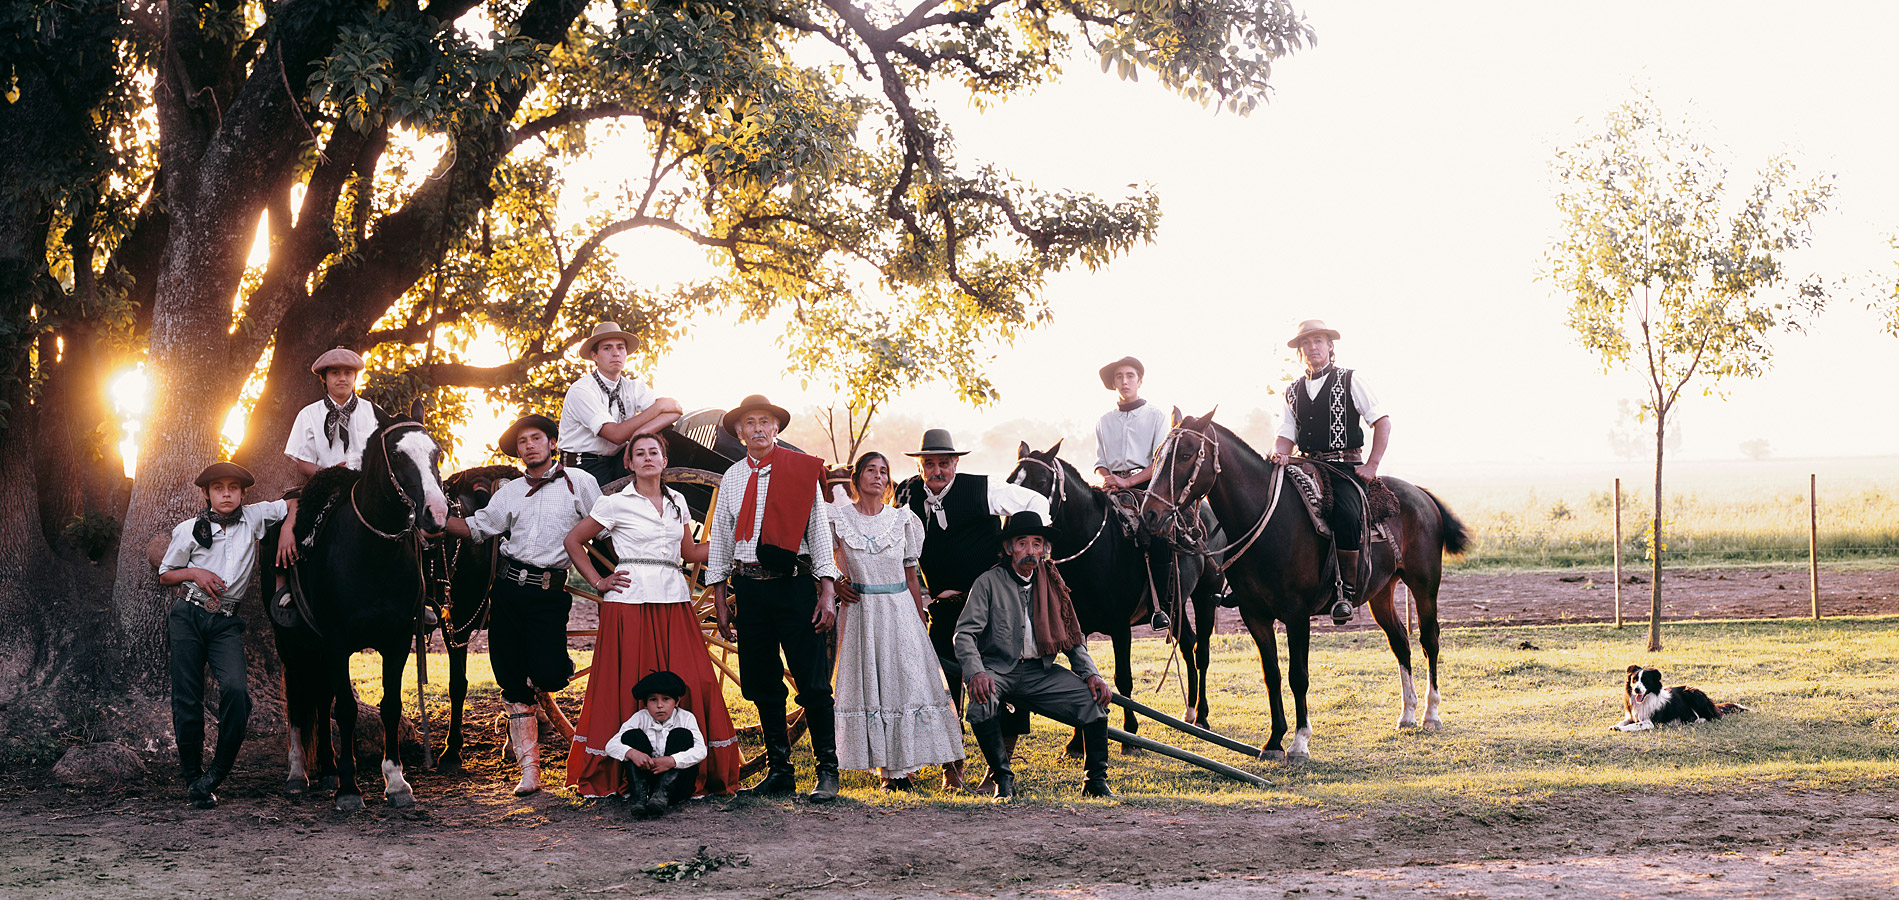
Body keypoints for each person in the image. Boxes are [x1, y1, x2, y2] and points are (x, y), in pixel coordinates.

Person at [563, 432, 742, 799]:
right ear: (629, 463)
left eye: (654, 452)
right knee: (627, 681)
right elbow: (573, 541)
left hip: (674, 599)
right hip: (628, 602)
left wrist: (734, 540)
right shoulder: (615, 503)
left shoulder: (677, 500)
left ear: (664, 460)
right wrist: (599, 580)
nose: (647, 458)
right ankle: (628, 772)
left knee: (697, 681)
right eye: (639, 453)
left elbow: (690, 553)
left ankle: (682, 768)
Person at [440, 413, 602, 795]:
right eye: (522, 442)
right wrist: (436, 520)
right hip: (508, 591)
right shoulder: (510, 492)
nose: (529, 445)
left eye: (535, 438)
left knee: (549, 674)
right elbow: (477, 528)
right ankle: (529, 771)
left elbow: (606, 526)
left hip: (548, 592)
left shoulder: (581, 484)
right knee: (512, 682)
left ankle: (547, 666)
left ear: (551, 443)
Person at [704, 395, 844, 802]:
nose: (759, 429)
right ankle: (781, 771)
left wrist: (828, 591)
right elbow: (722, 540)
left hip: (793, 587)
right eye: (750, 423)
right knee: (763, 684)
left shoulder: (799, 472)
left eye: (765, 421)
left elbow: (818, 533)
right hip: (750, 588)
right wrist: (719, 594)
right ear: (739, 432)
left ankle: (827, 771)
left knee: (812, 681)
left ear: (776, 429)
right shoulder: (731, 477)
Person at [891, 428, 1048, 788]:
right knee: (942, 690)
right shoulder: (909, 497)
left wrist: (1019, 549)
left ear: (956, 464)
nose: (937, 470)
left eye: (944, 463)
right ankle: (953, 771)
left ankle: (997, 771)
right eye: (929, 463)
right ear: (920, 466)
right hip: (944, 611)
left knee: (1004, 684)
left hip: (993, 610)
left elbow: (1036, 504)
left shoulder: (983, 489)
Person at [827, 451, 965, 791]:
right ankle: (889, 773)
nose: (878, 476)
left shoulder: (903, 520)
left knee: (907, 683)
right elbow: (819, 559)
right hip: (862, 613)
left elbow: (912, 576)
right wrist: (836, 581)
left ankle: (913, 766)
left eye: (883, 471)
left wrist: (920, 622)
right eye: (871, 470)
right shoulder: (838, 519)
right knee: (873, 685)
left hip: (901, 610)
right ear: (857, 477)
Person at [954, 512, 1115, 801]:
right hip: (998, 670)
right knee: (981, 703)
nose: (1030, 551)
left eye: (1037, 544)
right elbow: (965, 634)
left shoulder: (1051, 582)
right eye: (1022, 543)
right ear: (1008, 548)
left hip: (1040, 672)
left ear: (1044, 549)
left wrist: (1092, 674)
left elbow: (1072, 637)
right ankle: (1003, 780)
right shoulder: (988, 582)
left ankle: (1096, 782)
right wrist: (976, 672)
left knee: (1093, 700)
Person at [157, 462, 287, 809]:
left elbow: (295, 503)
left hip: (225, 621)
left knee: (237, 692)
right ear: (207, 493)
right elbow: (166, 575)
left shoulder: (255, 518)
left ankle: (215, 774)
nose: (226, 493)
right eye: (218, 488)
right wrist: (195, 572)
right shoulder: (188, 529)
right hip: (188, 614)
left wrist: (287, 531)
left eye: (233, 488)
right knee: (187, 698)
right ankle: (192, 779)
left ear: (244, 494)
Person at [1267, 319, 1390, 625]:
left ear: (1330, 346)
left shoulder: (1350, 379)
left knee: (1346, 514)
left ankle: (1346, 592)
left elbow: (1382, 422)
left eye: (1318, 341)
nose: (1313, 348)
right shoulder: (1292, 390)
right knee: (1269, 506)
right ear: (1300, 352)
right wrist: (1280, 454)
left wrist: (1372, 465)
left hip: (1345, 467)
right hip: (1306, 465)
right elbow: (1287, 433)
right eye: (1306, 344)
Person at [274, 347, 384, 593]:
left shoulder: (372, 412)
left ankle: (421, 593)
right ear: (324, 379)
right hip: (325, 484)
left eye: (348, 372)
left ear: (356, 377)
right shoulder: (309, 414)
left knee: (408, 520)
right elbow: (303, 462)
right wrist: (329, 473)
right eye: (335, 373)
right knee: (284, 524)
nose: (342, 378)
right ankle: (287, 587)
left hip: (367, 487)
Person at [1091, 355, 1173, 630]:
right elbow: (1101, 462)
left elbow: (1160, 462)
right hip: (1112, 487)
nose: (1124, 381)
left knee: (1157, 535)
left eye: (1129, 376)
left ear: (1139, 381)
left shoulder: (1156, 416)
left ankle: (1160, 606)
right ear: (1114, 384)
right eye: (1119, 377)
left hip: (1147, 487)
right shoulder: (1104, 421)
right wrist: (1110, 479)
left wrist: (1129, 482)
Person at [558, 322, 684, 486]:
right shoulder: (582, 390)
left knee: (668, 436)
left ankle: (693, 496)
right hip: (583, 464)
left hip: (618, 459)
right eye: (607, 348)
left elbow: (675, 409)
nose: (616, 353)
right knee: (610, 507)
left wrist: (639, 434)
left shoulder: (632, 386)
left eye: (620, 347)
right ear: (594, 356)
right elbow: (615, 435)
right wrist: (658, 407)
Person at [602, 670, 706, 819]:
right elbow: (611, 745)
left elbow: (701, 750)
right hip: (647, 782)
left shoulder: (686, 718)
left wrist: (672, 761)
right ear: (645, 703)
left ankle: (662, 794)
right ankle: (640, 797)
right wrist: (632, 753)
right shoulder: (640, 717)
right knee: (631, 736)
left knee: (682, 734)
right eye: (653, 700)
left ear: (676, 702)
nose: (659, 706)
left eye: (666, 699)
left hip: (677, 785)